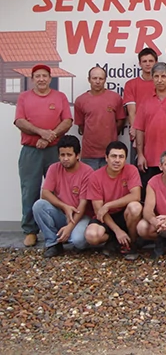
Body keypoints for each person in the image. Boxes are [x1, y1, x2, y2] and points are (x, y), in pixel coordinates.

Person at [14, 63, 73, 247]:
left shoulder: (60, 97)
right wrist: (41, 133)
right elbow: (20, 121)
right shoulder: (24, 97)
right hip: (31, 151)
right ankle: (30, 230)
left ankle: (56, 228)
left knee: (57, 191)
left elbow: (67, 121)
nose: (41, 79)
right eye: (37, 76)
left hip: (54, 152)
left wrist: (49, 138)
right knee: (30, 190)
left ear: (50, 78)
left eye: (44, 76)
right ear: (32, 79)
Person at [32, 135, 94, 257]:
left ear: (77, 155)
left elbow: (83, 204)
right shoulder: (54, 168)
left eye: (69, 155)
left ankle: (68, 235)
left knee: (79, 241)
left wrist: (70, 226)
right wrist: (64, 206)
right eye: (62, 155)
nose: (65, 159)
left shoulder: (87, 172)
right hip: (61, 213)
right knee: (39, 205)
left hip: (81, 216)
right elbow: (45, 193)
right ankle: (53, 244)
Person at [84, 141, 143, 260]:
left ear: (125, 159)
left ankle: (131, 243)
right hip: (105, 216)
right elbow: (98, 210)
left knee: (135, 207)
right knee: (92, 236)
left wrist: (109, 205)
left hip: (124, 214)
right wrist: (117, 231)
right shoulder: (95, 177)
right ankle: (113, 239)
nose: (117, 160)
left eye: (121, 157)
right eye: (113, 156)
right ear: (106, 158)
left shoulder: (131, 170)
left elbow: (136, 195)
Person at [74, 66, 126, 170]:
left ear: (105, 80)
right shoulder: (80, 100)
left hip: (111, 153)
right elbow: (81, 126)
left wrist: (111, 133)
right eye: (94, 78)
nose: (97, 81)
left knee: (110, 184)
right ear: (89, 79)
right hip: (89, 154)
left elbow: (120, 121)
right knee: (89, 184)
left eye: (101, 78)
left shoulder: (115, 98)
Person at [123, 47, 159, 164]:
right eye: (144, 61)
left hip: (157, 135)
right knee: (138, 172)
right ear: (139, 64)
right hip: (138, 135)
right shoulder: (131, 84)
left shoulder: (164, 84)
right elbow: (131, 112)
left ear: (156, 63)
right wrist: (136, 132)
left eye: (150, 61)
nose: (148, 64)